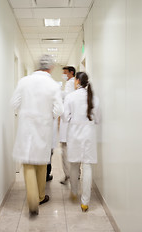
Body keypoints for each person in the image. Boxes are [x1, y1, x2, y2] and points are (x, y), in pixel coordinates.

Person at [11, 55, 64, 216]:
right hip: (43, 130)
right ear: (51, 68)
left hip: (26, 130)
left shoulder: (24, 81)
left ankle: (33, 201)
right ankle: (40, 197)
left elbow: (14, 103)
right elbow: (59, 110)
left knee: (28, 164)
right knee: (41, 164)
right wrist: (47, 117)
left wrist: (26, 113)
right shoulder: (53, 85)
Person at [62, 72, 100, 211]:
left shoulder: (70, 97)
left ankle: (74, 192)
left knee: (74, 164)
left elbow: (65, 117)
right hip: (89, 134)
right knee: (87, 166)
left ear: (77, 81)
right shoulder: (94, 98)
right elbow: (98, 118)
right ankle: (85, 202)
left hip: (74, 134)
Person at [59, 66, 75, 184]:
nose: (64, 75)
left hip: (67, 122)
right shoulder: (73, 84)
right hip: (74, 125)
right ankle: (75, 174)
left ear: (71, 73)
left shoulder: (70, 84)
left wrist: (58, 92)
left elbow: (67, 97)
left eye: (65, 73)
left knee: (65, 150)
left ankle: (68, 175)